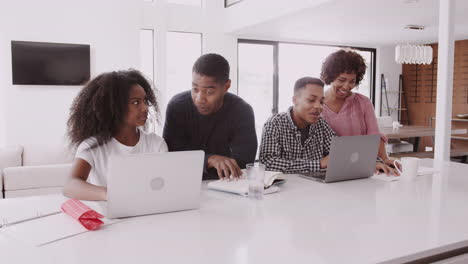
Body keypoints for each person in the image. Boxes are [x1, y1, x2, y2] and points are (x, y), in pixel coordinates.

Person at [63, 70, 168, 201]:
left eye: (145, 101)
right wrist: (108, 194)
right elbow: (70, 185)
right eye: (136, 102)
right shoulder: (93, 146)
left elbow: (163, 185)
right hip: (109, 217)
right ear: (114, 107)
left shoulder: (156, 143)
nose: (145, 108)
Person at [163, 53, 257, 180]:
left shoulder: (242, 111)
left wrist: (197, 161)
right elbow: (171, 155)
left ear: (226, 86)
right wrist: (209, 159)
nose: (200, 99)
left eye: (209, 92)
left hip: (226, 183)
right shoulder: (177, 106)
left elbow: (244, 162)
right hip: (183, 181)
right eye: (195, 89)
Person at [320, 49, 399, 175]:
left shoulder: (363, 102)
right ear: (330, 76)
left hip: (361, 167)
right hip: (328, 171)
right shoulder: (317, 106)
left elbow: (374, 136)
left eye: (352, 81)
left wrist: (385, 159)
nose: (347, 86)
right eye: (342, 80)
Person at [259, 77, 336, 173]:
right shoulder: (274, 124)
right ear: (295, 100)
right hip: (286, 186)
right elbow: (267, 163)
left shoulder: (321, 124)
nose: (318, 106)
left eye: (321, 102)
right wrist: (318, 164)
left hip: (316, 186)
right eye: (311, 100)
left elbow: (337, 152)